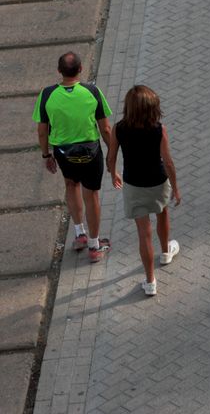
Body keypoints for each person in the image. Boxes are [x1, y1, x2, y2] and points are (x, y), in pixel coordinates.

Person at [33, 51, 113, 263]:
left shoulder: (47, 94)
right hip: (91, 152)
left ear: (59, 71)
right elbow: (105, 128)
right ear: (80, 70)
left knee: (71, 185)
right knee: (92, 195)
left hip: (63, 153)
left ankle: (79, 234)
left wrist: (46, 155)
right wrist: (112, 154)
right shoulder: (92, 91)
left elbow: (42, 131)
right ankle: (95, 247)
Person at [107, 85, 181, 297]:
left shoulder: (119, 129)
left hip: (134, 185)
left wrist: (113, 174)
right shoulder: (159, 129)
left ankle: (150, 282)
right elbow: (168, 162)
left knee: (143, 233)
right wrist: (175, 188)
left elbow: (111, 156)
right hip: (158, 182)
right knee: (162, 213)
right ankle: (166, 252)